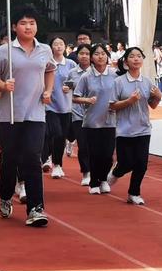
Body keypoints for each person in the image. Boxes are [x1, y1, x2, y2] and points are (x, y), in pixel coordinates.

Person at [0, 6, 56, 227]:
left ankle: (36, 208)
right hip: (10, 115)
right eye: (24, 23)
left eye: (32, 23)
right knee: (9, 159)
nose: (28, 27)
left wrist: (48, 91)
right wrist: (4, 85)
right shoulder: (5, 51)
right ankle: (6, 195)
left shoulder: (44, 49)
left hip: (35, 114)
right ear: (15, 27)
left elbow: (50, 70)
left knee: (32, 158)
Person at [108, 47, 162, 205]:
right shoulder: (118, 82)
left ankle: (134, 193)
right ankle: (116, 172)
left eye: (139, 56)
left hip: (143, 128)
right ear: (125, 62)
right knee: (126, 163)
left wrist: (157, 97)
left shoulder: (146, 81)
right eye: (132, 56)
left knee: (142, 164)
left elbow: (152, 105)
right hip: (124, 130)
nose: (136, 59)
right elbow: (112, 106)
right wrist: (128, 101)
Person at [73, 44, 117, 194]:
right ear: (92, 57)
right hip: (92, 121)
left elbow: (120, 94)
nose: (100, 56)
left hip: (110, 121)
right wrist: (87, 100)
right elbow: (75, 98)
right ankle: (94, 183)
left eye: (103, 54)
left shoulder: (114, 74)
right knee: (95, 153)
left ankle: (104, 179)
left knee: (107, 154)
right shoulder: (86, 76)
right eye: (97, 54)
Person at [41, 37, 76, 179]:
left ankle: (58, 165)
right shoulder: (46, 64)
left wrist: (70, 86)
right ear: (51, 48)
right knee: (53, 132)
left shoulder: (71, 64)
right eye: (55, 44)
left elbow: (77, 81)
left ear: (65, 47)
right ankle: (48, 157)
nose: (59, 46)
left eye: (61, 44)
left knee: (61, 136)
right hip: (49, 105)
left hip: (66, 106)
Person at [67, 44, 92, 185]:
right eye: (81, 53)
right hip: (78, 114)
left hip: (95, 114)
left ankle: (98, 171)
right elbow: (68, 89)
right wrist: (66, 89)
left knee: (95, 145)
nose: (84, 56)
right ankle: (86, 172)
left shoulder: (96, 72)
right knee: (83, 145)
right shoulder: (72, 73)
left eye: (87, 53)